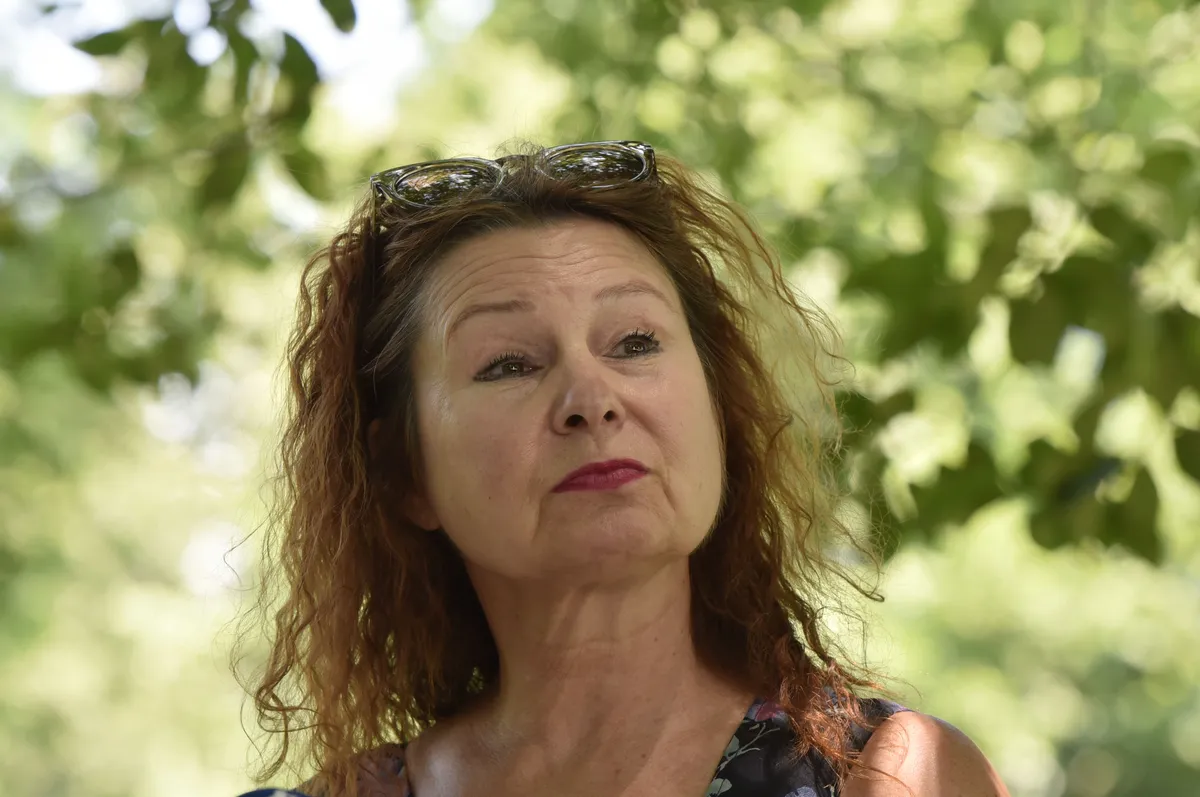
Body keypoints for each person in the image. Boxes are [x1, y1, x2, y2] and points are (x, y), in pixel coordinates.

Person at [233, 140, 1010, 797]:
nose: (592, 399)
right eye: (508, 363)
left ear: (720, 413)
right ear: (403, 474)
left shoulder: (889, 774)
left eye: (635, 343)